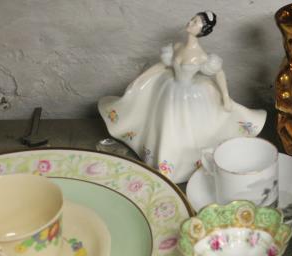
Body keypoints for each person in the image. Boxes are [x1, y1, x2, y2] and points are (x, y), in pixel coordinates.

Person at [99, 11, 266, 183]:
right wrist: (141, 79)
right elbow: (162, 66)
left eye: (196, 22)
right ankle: (162, 158)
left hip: (188, 95)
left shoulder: (201, 56)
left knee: (183, 128)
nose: (191, 22)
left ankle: (180, 164)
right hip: (169, 89)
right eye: (192, 19)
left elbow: (219, 74)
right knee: (162, 124)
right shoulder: (178, 47)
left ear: (202, 30)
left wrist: (224, 96)